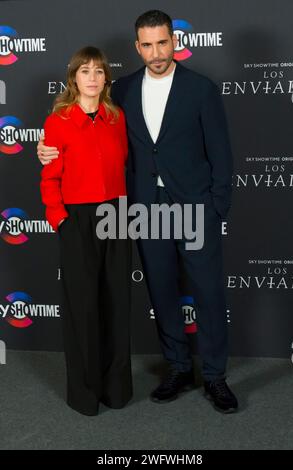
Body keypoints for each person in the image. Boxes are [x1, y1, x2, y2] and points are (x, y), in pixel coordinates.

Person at [38, 10, 238, 413]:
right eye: (147, 44)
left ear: (174, 42)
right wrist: (46, 151)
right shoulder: (122, 92)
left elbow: (222, 155)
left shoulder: (201, 89)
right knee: (162, 290)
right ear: (137, 47)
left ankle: (215, 376)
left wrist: (216, 208)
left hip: (195, 208)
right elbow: (86, 132)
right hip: (145, 210)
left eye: (162, 42)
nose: (156, 52)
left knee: (209, 293)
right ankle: (179, 367)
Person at [40, 46, 132, 416]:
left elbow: (124, 160)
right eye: (85, 71)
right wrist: (60, 219)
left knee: (117, 303)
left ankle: (117, 389)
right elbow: (50, 179)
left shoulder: (116, 116)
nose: (92, 78)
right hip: (77, 219)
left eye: (98, 71)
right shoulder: (57, 121)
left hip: (118, 215)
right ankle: (84, 393)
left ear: (106, 78)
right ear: (73, 78)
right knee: (82, 308)